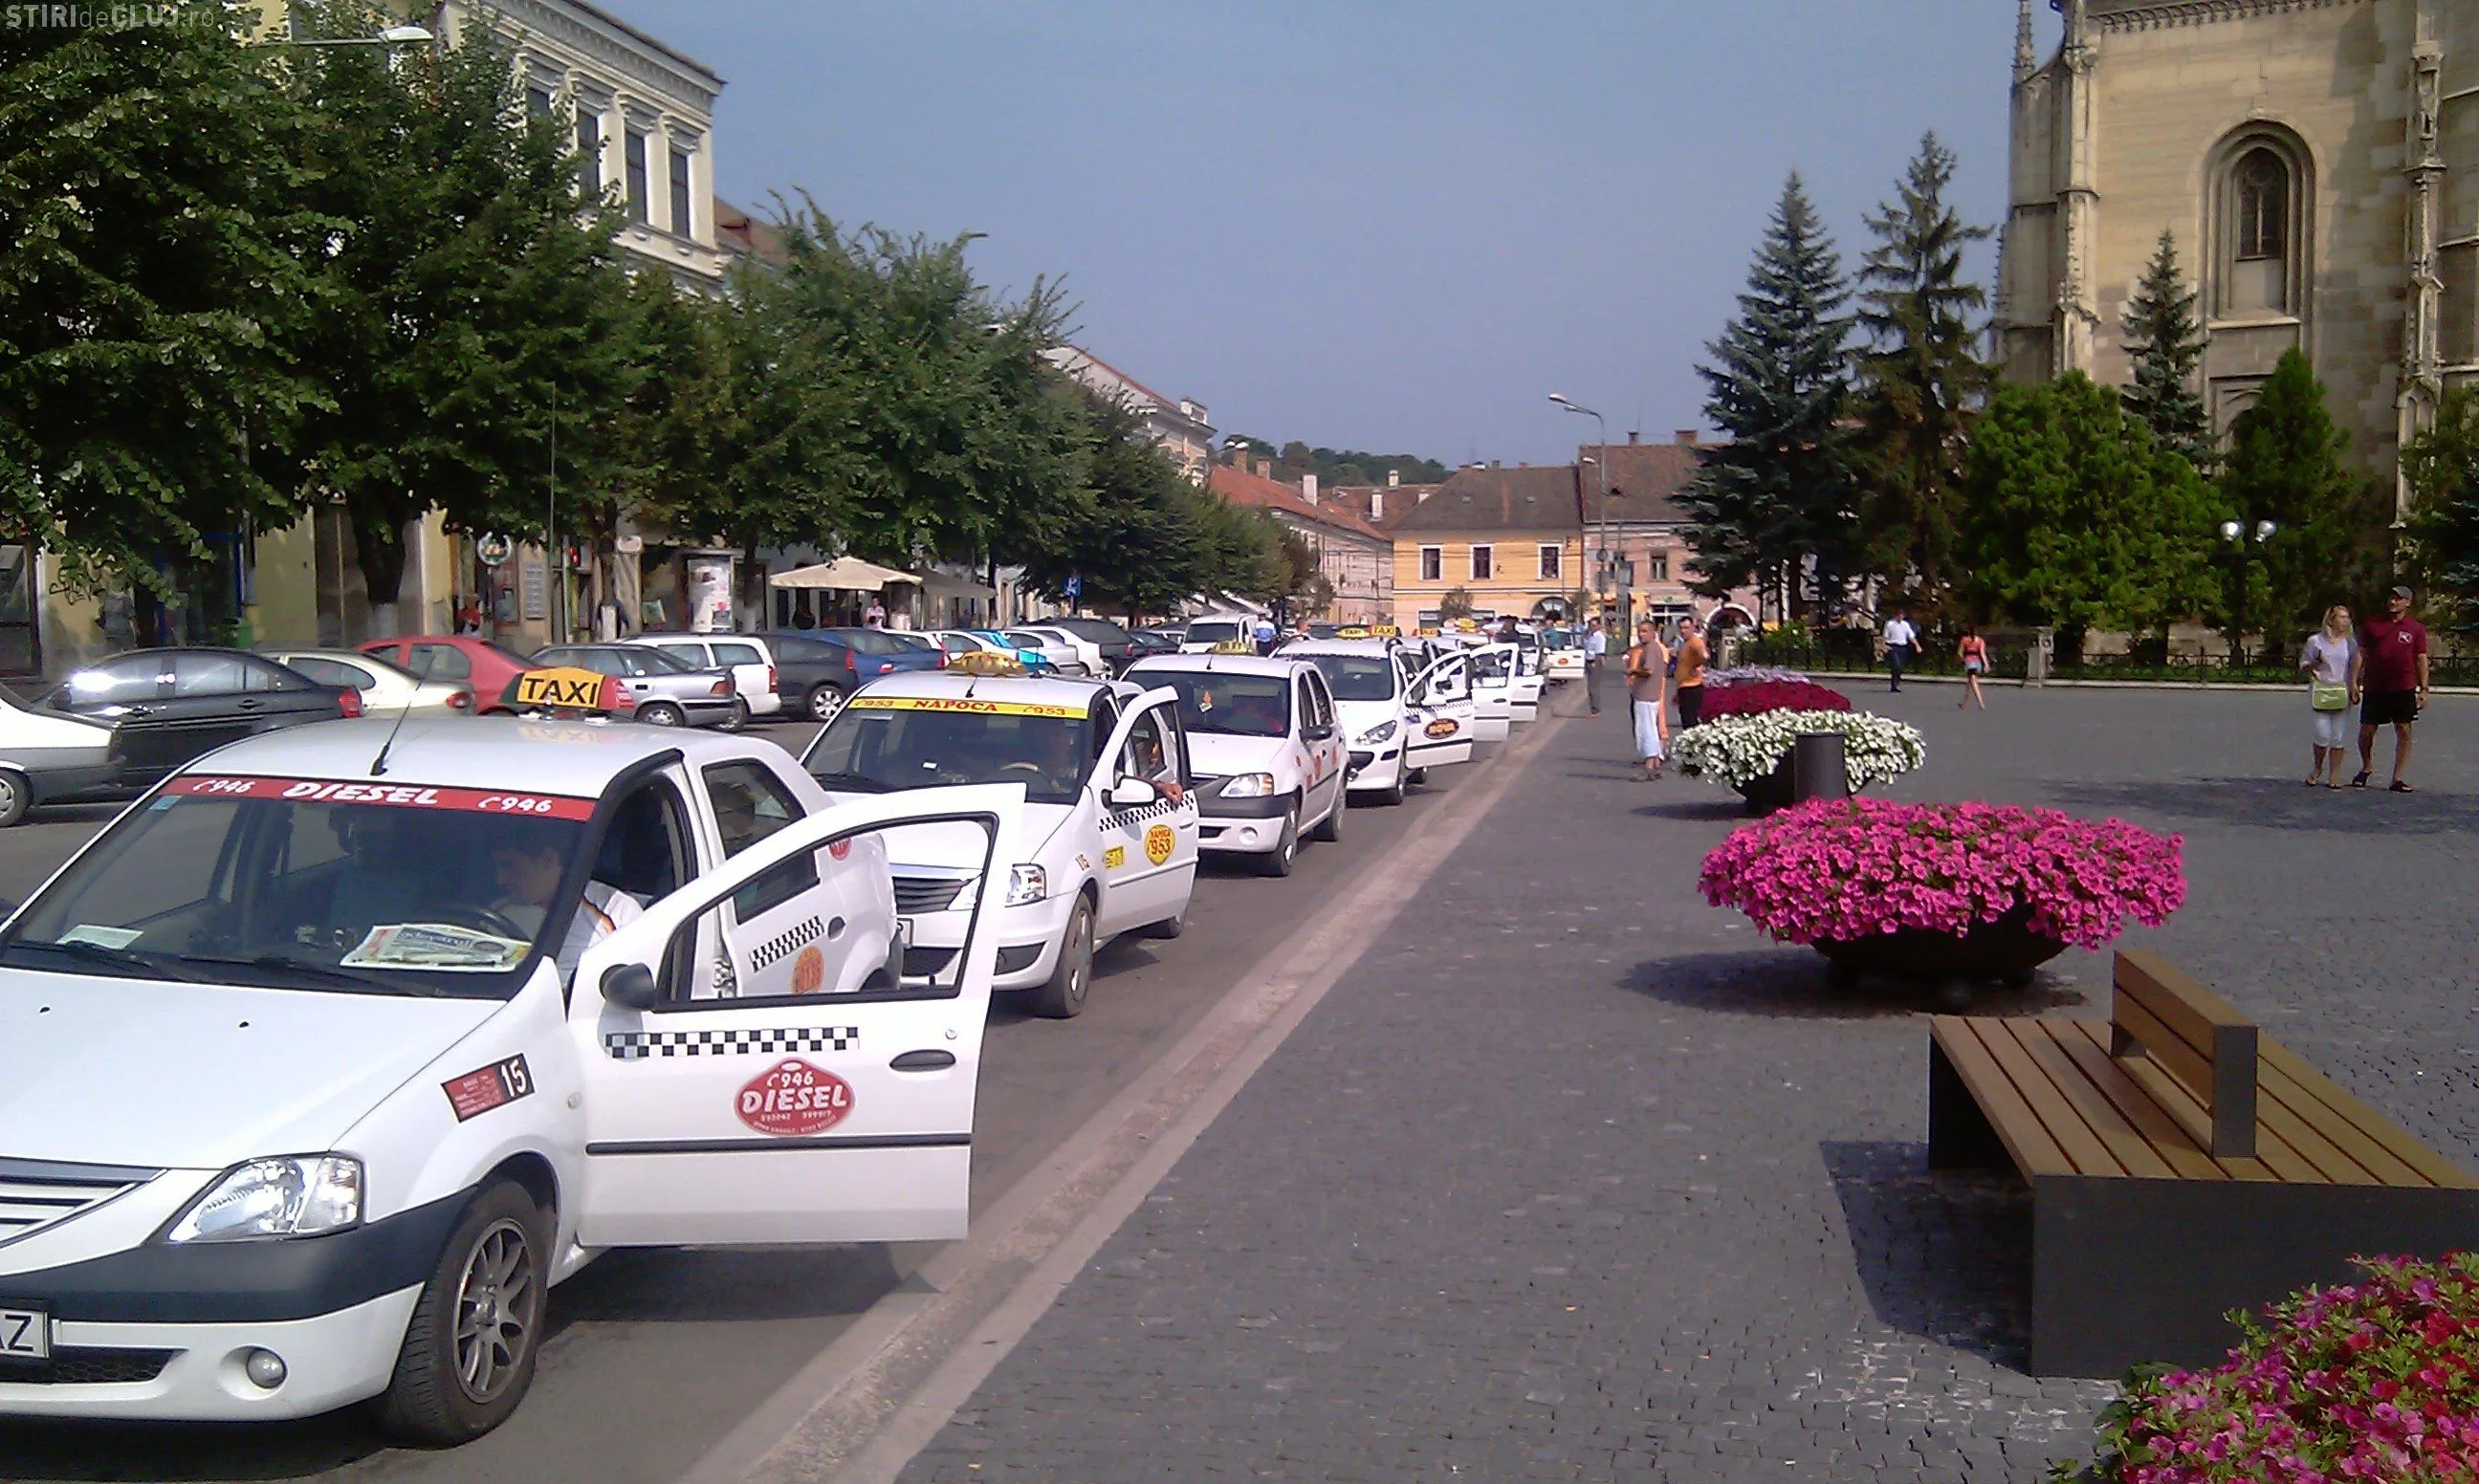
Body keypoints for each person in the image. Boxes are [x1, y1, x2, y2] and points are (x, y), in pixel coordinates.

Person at [493, 836, 641, 985]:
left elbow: (635, 984)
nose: (501, 879)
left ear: (547, 860)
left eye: (510, 867)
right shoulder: (495, 916)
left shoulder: (617, 910)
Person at [2352, 585, 2430, 791]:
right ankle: (2366, 766)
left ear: (2408, 603)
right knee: (2367, 730)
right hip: (2375, 685)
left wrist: (2424, 688)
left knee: (2404, 729)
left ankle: (2398, 777)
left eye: (2398, 599)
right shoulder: (2372, 625)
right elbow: (2361, 653)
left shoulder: (2415, 628)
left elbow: (2420, 658)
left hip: (2403, 685)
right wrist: (2353, 682)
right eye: (2391, 598)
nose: (2393, 602)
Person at [2299, 605, 2356, 788]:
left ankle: (2334, 775)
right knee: (2322, 734)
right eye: (2341, 617)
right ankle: (2318, 767)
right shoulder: (2315, 641)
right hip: (2321, 690)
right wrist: (2316, 663)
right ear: (2331, 620)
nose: (2345, 621)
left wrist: (2355, 686)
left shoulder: (2350, 643)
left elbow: (2355, 666)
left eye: (2347, 617)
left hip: (2341, 690)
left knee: (2338, 736)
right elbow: (2304, 664)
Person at [1624, 620, 1669, 780]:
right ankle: (1654, 765)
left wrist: (1633, 671)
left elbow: (1649, 671)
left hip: (1646, 696)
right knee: (1651, 730)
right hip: (1651, 695)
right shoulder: (1653, 648)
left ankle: (1649, 767)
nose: (1640, 634)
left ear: (1652, 633)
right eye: (1639, 631)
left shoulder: (1650, 648)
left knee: (1646, 731)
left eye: (1644, 631)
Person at [1673, 616, 1708, 730]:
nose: (1683, 631)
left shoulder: (1695, 641)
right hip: (1684, 686)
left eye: (1686, 628)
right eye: (1681, 628)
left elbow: (1704, 656)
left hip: (1692, 686)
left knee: (1690, 721)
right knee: (1686, 719)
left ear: (1693, 627)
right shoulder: (1685, 643)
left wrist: (1697, 664)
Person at [1881, 607, 1919, 692]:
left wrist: (1917, 645)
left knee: (1900, 667)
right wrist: (1883, 646)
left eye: (1902, 615)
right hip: (1893, 647)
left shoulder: (1905, 624)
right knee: (1896, 665)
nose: (1900, 617)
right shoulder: (1890, 624)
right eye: (1899, 615)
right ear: (1895, 616)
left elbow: (1911, 636)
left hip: (1902, 648)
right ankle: (1895, 685)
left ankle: (1895, 683)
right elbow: (1885, 636)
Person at [1957, 625, 1989, 712]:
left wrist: (1961, 660)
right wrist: (1986, 664)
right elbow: (1982, 653)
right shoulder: (1980, 641)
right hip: (1977, 664)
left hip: (1969, 663)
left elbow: (1960, 652)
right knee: (1970, 683)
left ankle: (1981, 703)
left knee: (1973, 682)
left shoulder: (1964, 640)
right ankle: (1963, 702)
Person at [1582, 617, 1608, 716]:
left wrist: (1594, 664)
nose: (1591, 627)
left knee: (1594, 687)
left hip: (1595, 661)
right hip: (1588, 660)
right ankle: (1593, 709)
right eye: (1590, 625)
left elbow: (1599, 652)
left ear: (1599, 626)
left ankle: (1596, 710)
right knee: (1590, 687)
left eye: (1594, 625)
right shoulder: (1590, 635)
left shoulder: (1599, 636)